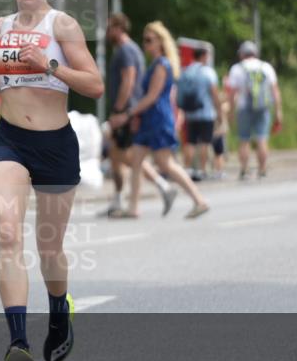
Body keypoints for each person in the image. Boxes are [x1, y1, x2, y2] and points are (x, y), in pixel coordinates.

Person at [0, 0, 103, 361]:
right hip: (9, 142)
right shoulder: (0, 27)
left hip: (55, 145)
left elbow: (94, 84)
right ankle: (17, 342)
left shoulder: (61, 26)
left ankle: (59, 310)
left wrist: (49, 65)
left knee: (49, 247)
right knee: (8, 235)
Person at [108, 21, 209, 219]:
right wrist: (136, 116)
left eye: (149, 40)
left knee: (165, 163)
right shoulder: (155, 64)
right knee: (136, 161)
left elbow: (152, 96)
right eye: (144, 40)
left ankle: (199, 200)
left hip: (158, 119)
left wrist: (127, 115)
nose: (145, 45)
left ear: (160, 42)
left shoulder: (162, 64)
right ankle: (133, 208)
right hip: (148, 119)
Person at [104, 12, 178, 216]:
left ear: (119, 28)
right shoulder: (130, 50)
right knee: (120, 155)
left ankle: (163, 186)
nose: (107, 32)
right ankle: (122, 201)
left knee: (123, 154)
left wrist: (120, 111)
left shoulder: (126, 51)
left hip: (128, 109)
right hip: (131, 110)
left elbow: (129, 80)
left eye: (109, 27)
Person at [227, 41, 282, 180]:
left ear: (241, 54)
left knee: (244, 140)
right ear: (255, 53)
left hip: (243, 107)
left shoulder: (237, 69)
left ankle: (244, 170)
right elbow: (275, 91)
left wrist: (230, 112)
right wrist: (278, 111)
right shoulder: (266, 67)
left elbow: (232, 93)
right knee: (262, 138)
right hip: (263, 107)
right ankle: (262, 170)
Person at [178, 47, 223, 181]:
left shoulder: (186, 71)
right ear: (203, 56)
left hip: (190, 113)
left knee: (190, 142)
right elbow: (214, 94)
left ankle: (188, 169)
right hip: (206, 113)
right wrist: (219, 112)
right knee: (204, 142)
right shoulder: (208, 72)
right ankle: (202, 170)